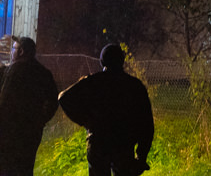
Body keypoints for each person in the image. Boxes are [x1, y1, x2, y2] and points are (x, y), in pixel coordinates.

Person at [58, 44, 154, 176]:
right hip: (124, 144)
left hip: (98, 142)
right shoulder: (134, 85)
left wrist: (85, 120)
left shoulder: (93, 81)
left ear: (102, 61)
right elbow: (147, 123)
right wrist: (141, 156)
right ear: (122, 60)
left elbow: (63, 97)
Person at [0, 37, 59, 176]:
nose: (11, 52)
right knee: (25, 167)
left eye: (13, 49)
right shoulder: (44, 73)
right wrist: (41, 120)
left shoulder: (13, 72)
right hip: (31, 132)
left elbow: (3, 101)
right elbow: (53, 101)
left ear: (21, 51)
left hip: (8, 132)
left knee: (6, 167)